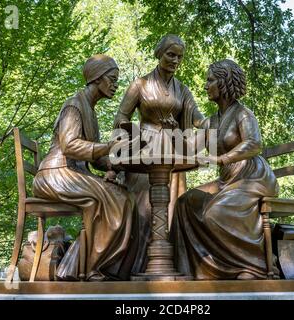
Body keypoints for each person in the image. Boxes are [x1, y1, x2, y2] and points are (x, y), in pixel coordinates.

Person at [170, 59, 280, 280]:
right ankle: (195, 269)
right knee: (185, 203)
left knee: (215, 213)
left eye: (210, 80)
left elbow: (254, 144)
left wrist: (222, 159)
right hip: (228, 180)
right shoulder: (214, 121)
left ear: (224, 83)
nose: (206, 85)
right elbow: (192, 140)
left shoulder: (243, 114)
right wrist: (173, 126)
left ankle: (253, 266)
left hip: (252, 177)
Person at [32, 54, 139, 281]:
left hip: (74, 173)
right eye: (112, 78)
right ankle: (92, 268)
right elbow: (70, 145)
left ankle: (81, 267)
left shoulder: (90, 110)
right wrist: (109, 146)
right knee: (116, 198)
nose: (115, 84)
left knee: (123, 196)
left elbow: (94, 158)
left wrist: (117, 163)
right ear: (97, 78)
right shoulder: (74, 105)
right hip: (56, 173)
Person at [113, 35, 206, 273]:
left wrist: (212, 123)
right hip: (144, 149)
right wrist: (135, 134)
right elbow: (121, 117)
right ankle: (138, 266)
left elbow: (196, 117)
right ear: (159, 54)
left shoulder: (182, 90)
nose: (175, 60)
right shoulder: (140, 85)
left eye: (179, 57)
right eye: (171, 54)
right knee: (142, 207)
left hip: (172, 152)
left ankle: (166, 264)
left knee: (173, 206)